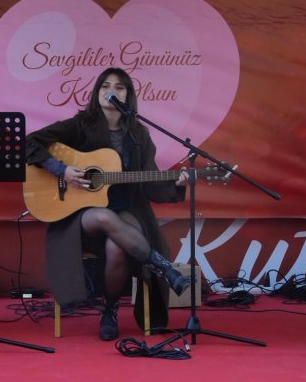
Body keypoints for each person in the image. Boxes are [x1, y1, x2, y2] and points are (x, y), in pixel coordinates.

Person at [26, 67, 190, 341]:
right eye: (105, 85)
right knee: (103, 217)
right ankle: (164, 267)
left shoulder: (139, 136)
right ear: (97, 92)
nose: (111, 91)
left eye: (119, 87)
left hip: (125, 211)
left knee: (117, 247)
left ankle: (109, 309)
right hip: (81, 217)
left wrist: (178, 184)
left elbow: (149, 183)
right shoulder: (80, 125)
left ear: (128, 96)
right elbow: (29, 143)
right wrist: (62, 171)